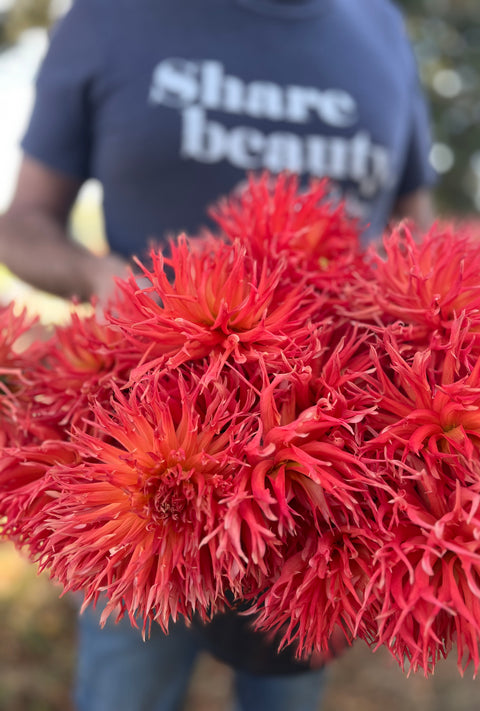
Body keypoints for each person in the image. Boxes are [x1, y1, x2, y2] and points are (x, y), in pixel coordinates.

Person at [0, 1, 436, 710]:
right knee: (124, 687)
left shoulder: (381, 27)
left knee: (287, 692)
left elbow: (412, 230)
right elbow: (22, 221)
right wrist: (96, 276)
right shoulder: (111, 15)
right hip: (134, 438)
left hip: (335, 483)